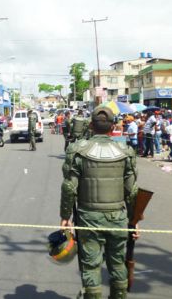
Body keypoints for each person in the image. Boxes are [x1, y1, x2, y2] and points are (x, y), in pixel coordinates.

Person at [60, 106, 138, 299]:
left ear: (91, 126)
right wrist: (134, 221)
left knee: (91, 266)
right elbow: (132, 191)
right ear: (113, 127)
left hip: (88, 218)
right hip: (118, 218)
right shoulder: (126, 151)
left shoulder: (78, 151)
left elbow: (69, 187)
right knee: (118, 264)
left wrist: (65, 216)